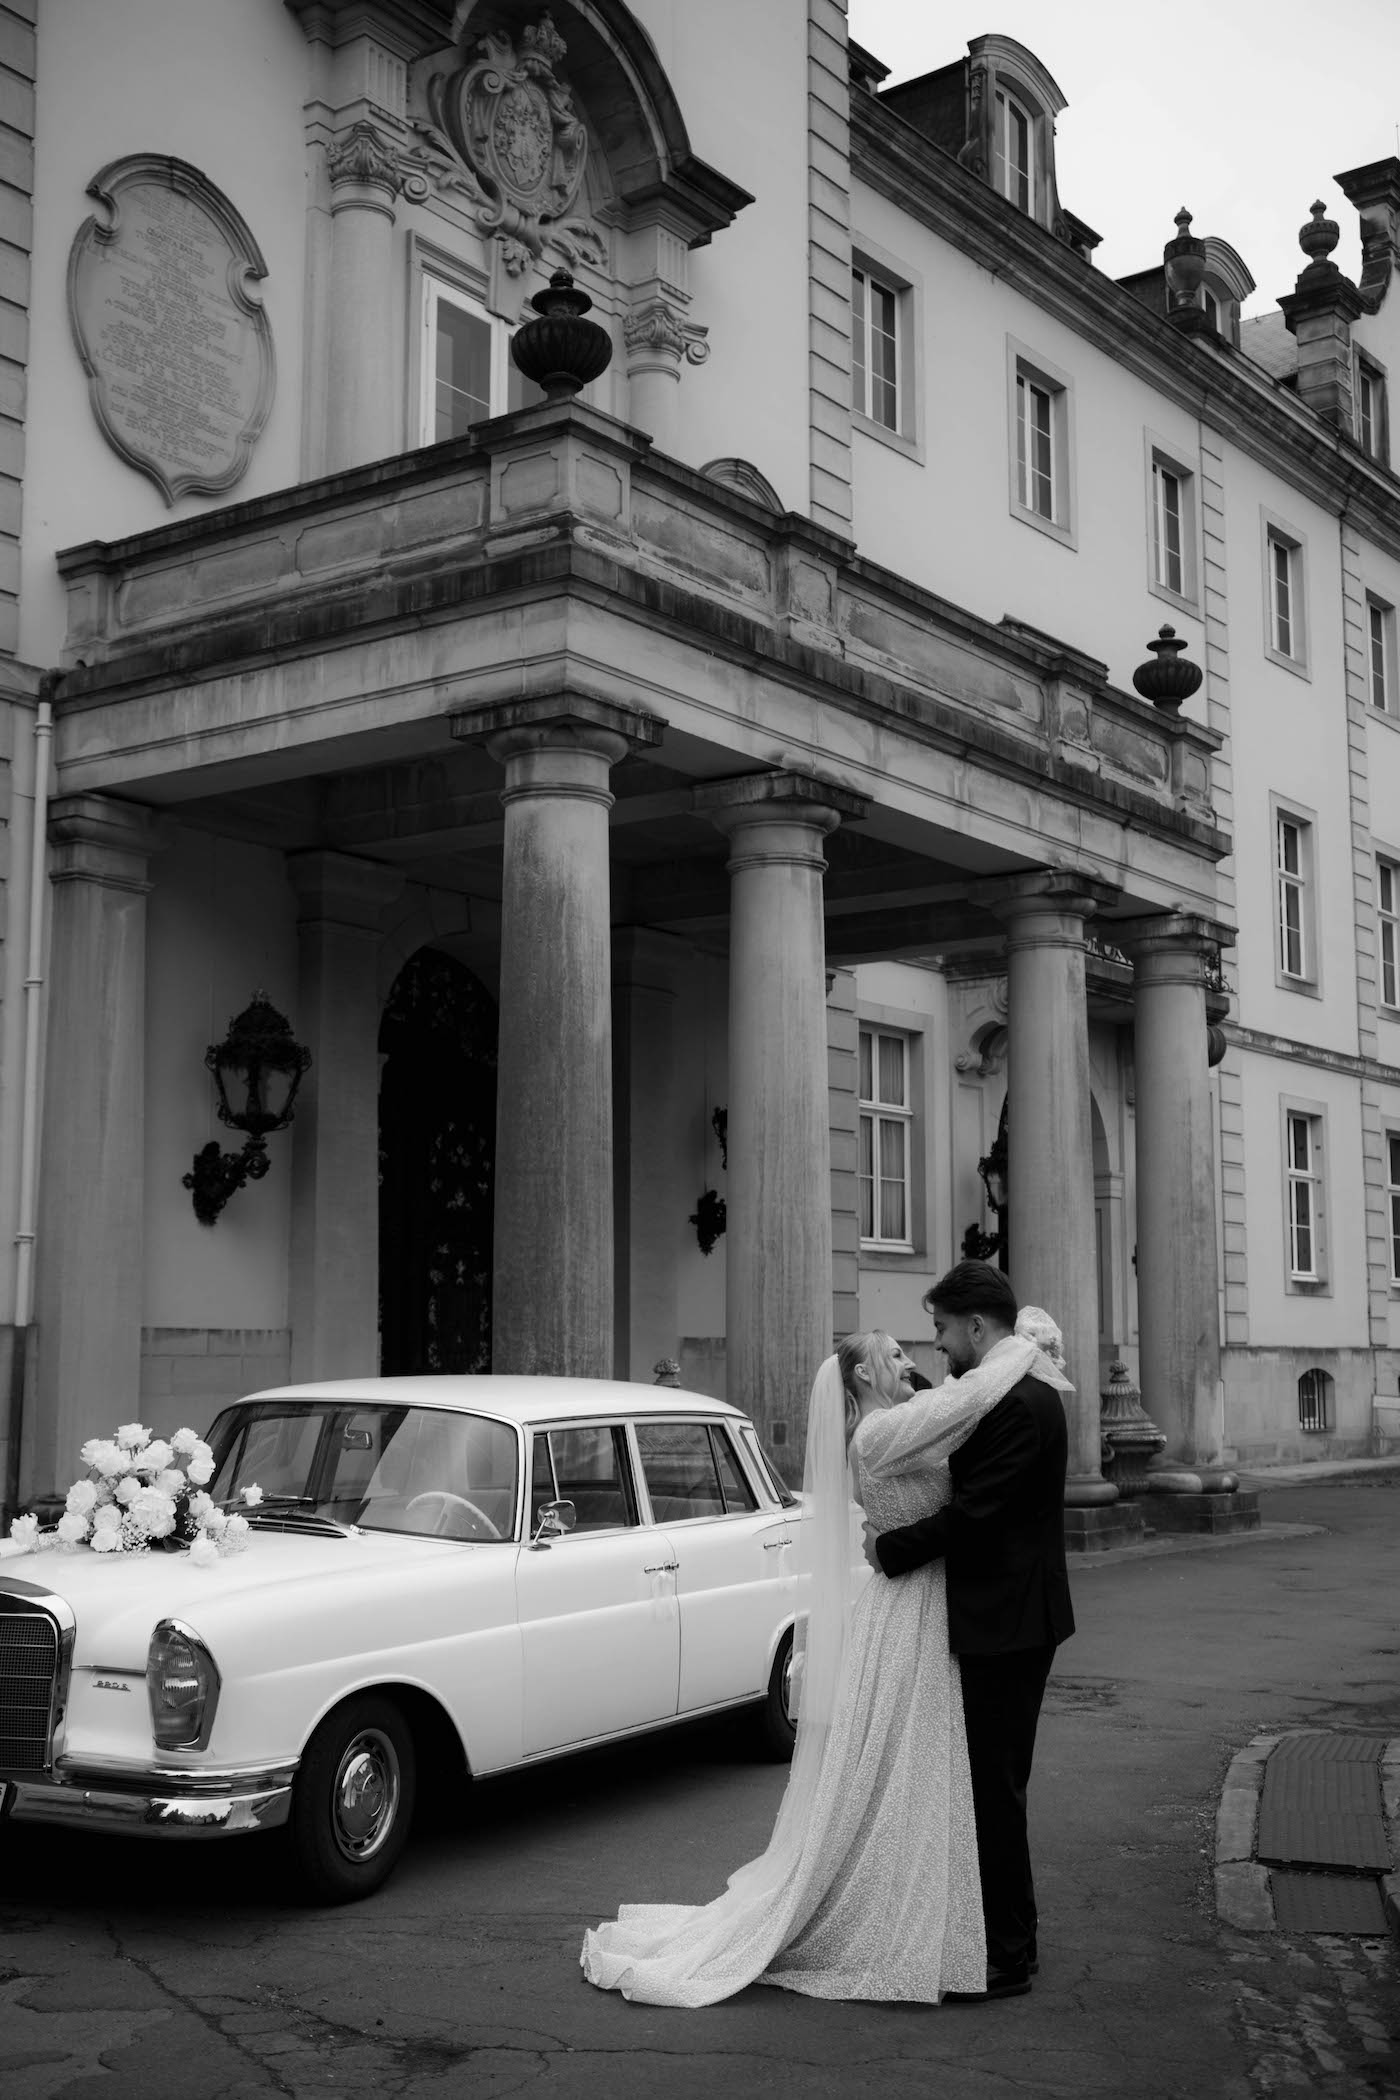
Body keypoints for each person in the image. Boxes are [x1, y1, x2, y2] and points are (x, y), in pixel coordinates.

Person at [580, 1316, 1068, 2007]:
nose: (909, 1362)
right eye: (894, 1355)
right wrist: (1024, 1347)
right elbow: (967, 1404)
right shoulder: (879, 1432)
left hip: (926, 1603)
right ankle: (900, 1913)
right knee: (908, 1768)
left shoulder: (899, 1421)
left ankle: (949, 1912)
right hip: (911, 1608)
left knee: (923, 1770)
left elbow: (959, 1416)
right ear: (862, 1375)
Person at [863, 1261, 1075, 2002]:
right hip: (1009, 1616)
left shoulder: (1020, 1404)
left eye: (943, 1331)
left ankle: (1010, 1955)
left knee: (995, 1789)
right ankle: (1009, 1936)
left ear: (976, 1327)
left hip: (1008, 1623)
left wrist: (888, 1549)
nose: (938, 1347)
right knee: (993, 1785)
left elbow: (977, 1512)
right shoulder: (1009, 1390)